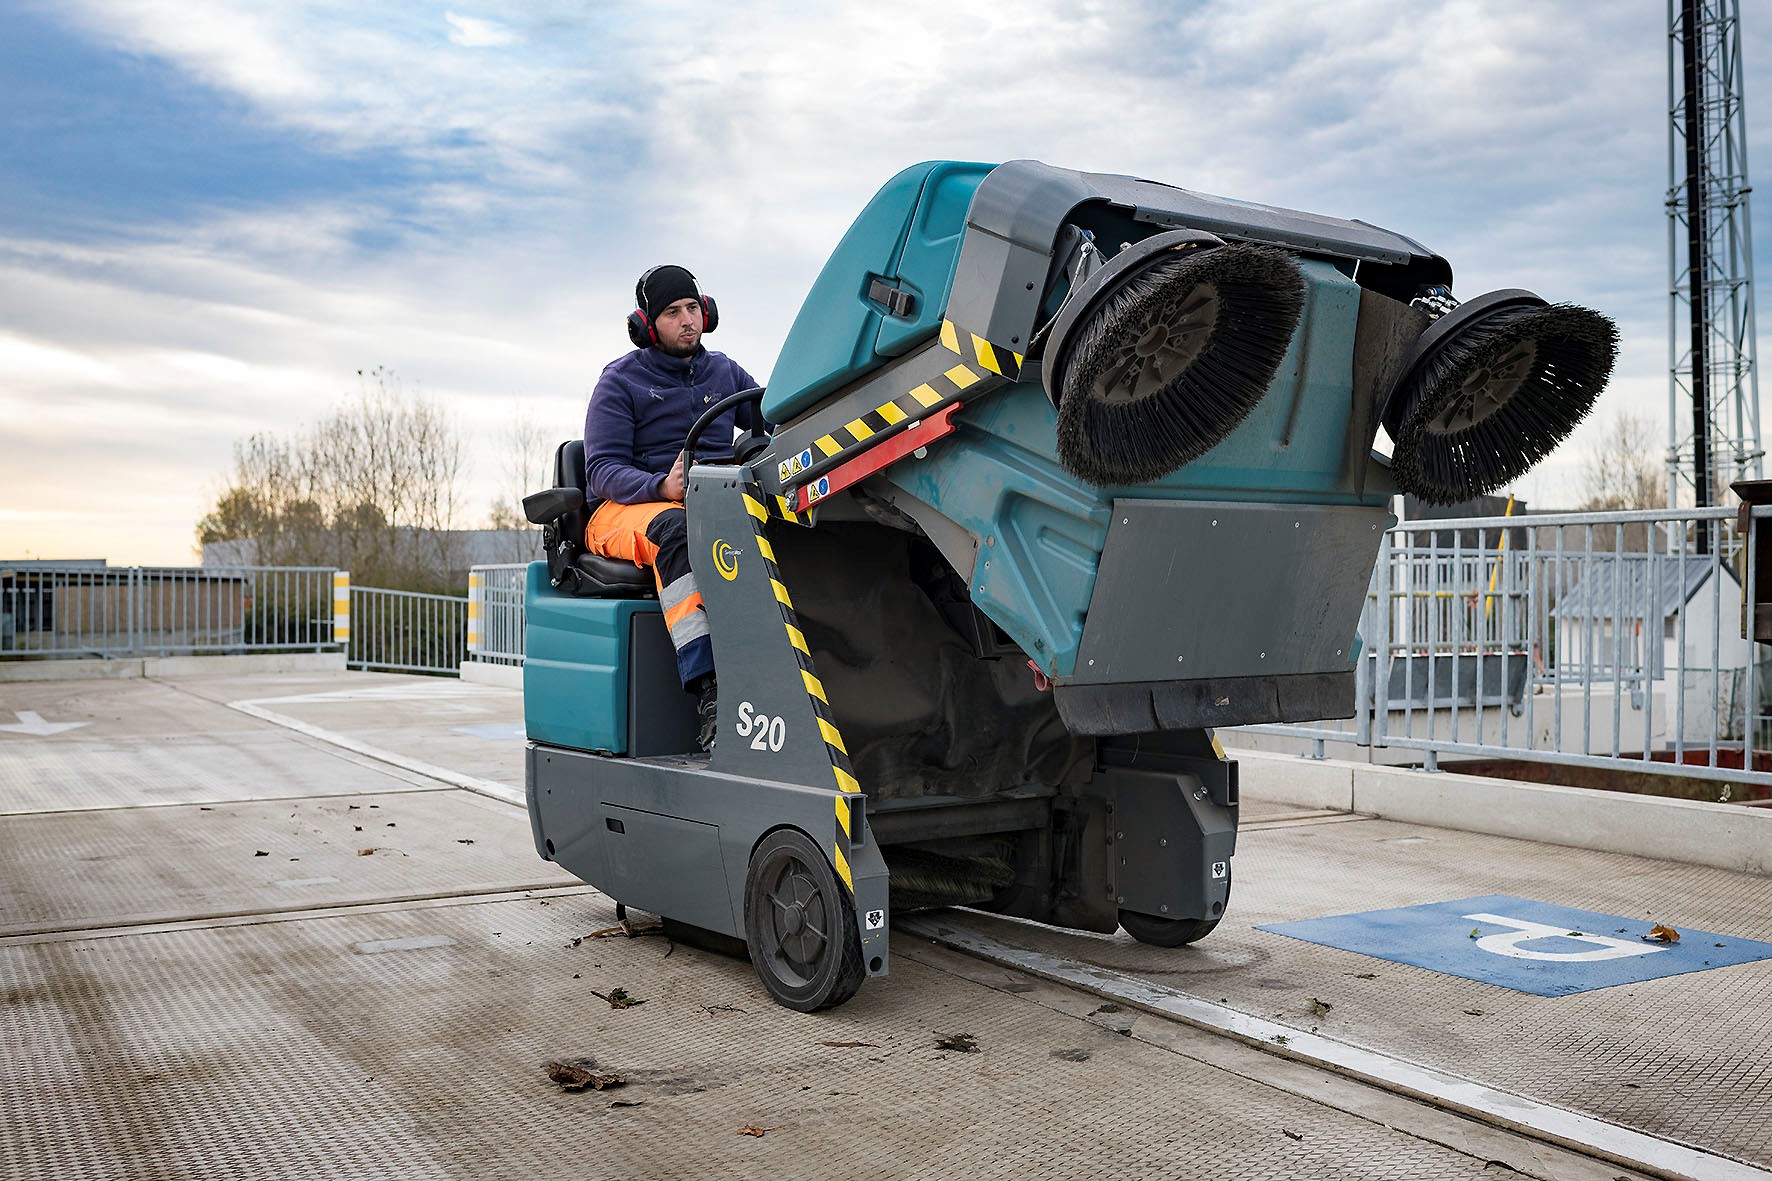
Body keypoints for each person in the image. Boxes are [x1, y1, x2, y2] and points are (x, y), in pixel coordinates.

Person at [582, 264, 762, 751]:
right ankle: (711, 694)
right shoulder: (619, 381)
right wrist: (661, 486)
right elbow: (600, 471)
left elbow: (774, 416)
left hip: (709, 504)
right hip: (624, 510)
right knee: (678, 531)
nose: (687, 320)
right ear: (646, 325)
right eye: (672, 312)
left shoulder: (724, 371)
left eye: (692, 308)